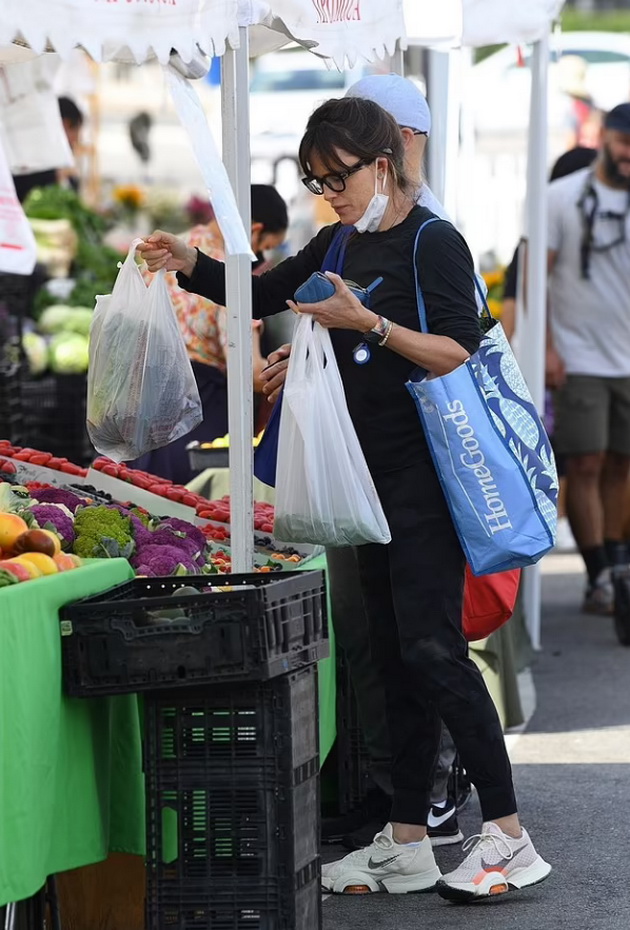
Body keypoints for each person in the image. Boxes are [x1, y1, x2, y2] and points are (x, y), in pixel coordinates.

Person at [138, 95, 551, 902]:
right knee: (396, 662)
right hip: (369, 480)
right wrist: (188, 264)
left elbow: (457, 352)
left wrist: (368, 324)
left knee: (434, 652)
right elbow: (264, 292)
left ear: (383, 164)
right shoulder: (336, 239)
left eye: (340, 177)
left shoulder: (433, 241)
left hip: (428, 479)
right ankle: (405, 840)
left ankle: (509, 835)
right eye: (315, 180)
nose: (329, 193)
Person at [131, 184, 288, 486]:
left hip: (144, 403)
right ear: (254, 230)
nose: (262, 256)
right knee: (188, 509)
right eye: (266, 246)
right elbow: (248, 371)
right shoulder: (227, 273)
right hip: (195, 409)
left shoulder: (176, 248)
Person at [547, 104, 630, 615]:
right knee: (584, 461)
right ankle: (598, 573)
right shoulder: (563, 197)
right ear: (605, 139)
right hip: (578, 353)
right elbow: (536, 275)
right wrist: (547, 346)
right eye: (624, 145)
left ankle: (618, 569)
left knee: (622, 463)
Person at [501, 146, 597, 554]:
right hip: (549, 374)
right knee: (573, 461)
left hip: (560, 370)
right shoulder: (536, 246)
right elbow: (509, 319)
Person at [13, 96, 84, 202]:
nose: (76, 138)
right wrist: (55, 175)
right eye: (74, 129)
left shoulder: (65, 163)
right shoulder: (30, 157)